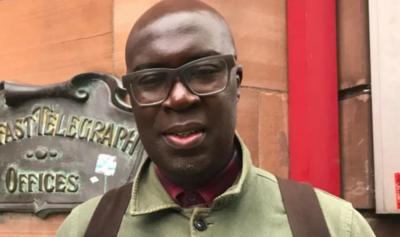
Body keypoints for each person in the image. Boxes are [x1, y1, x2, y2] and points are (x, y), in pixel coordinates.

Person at [57, 0, 375, 236]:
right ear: (132, 99)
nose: (179, 98)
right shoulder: (84, 229)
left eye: (204, 72)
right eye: (152, 80)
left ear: (236, 82)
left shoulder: (334, 227)